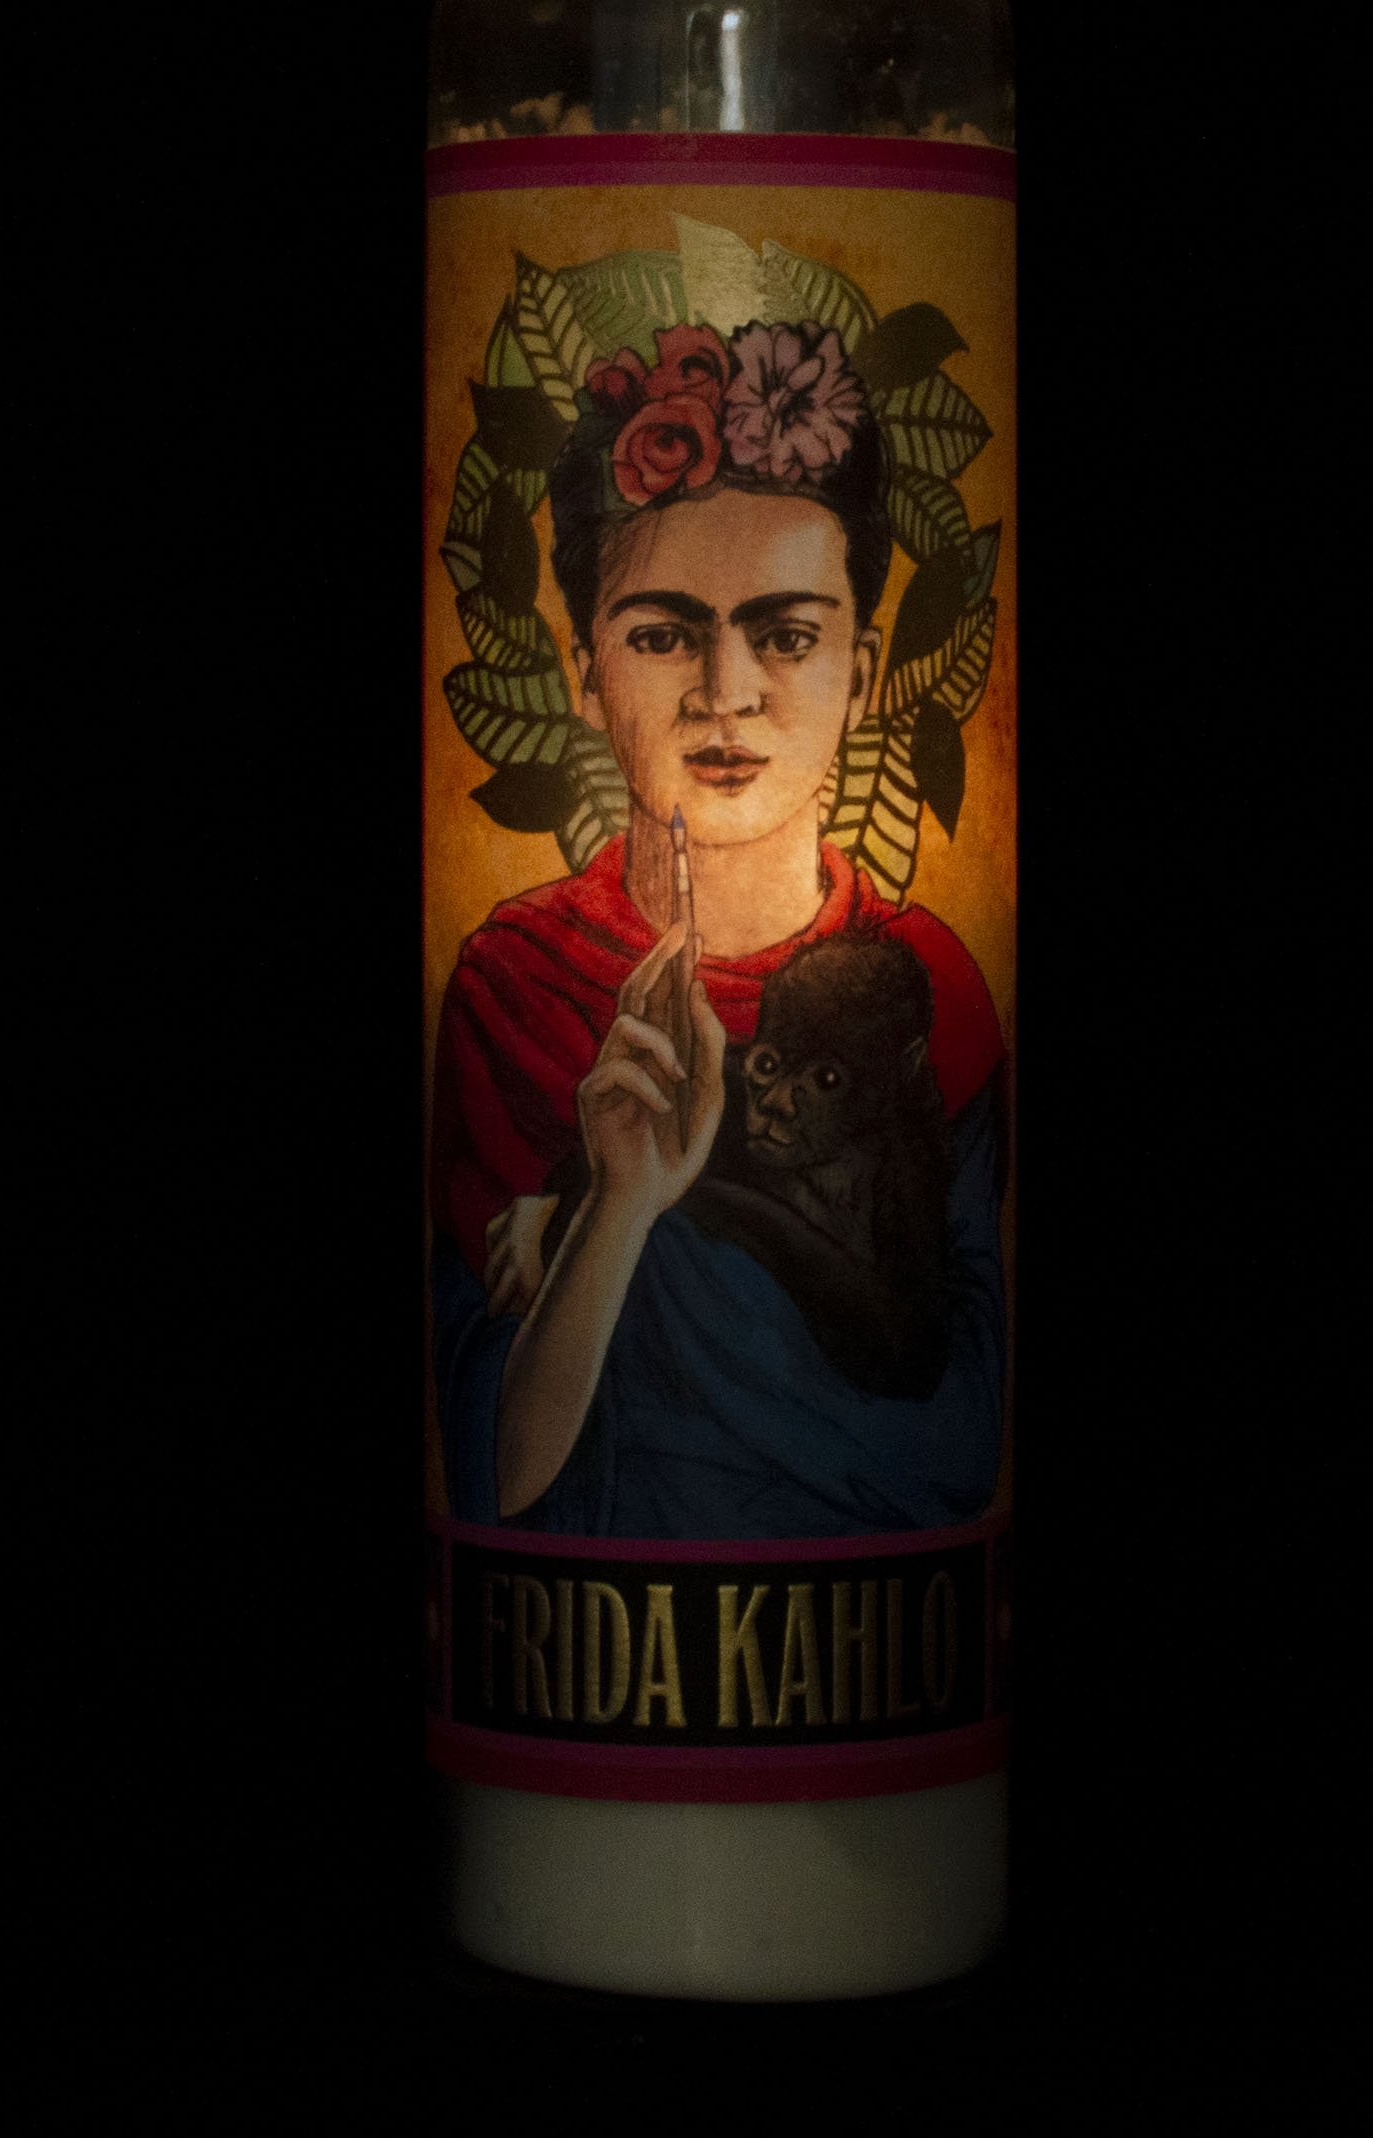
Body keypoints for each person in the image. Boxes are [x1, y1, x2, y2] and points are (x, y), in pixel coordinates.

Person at [430, 318, 1006, 1539]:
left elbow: (960, 1442)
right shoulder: (511, 985)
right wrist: (620, 1206)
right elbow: (491, 1483)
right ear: (586, 672)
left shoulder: (932, 992)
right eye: (661, 634)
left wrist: (636, 1236)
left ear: (862, 673)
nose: (725, 693)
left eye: (787, 635)